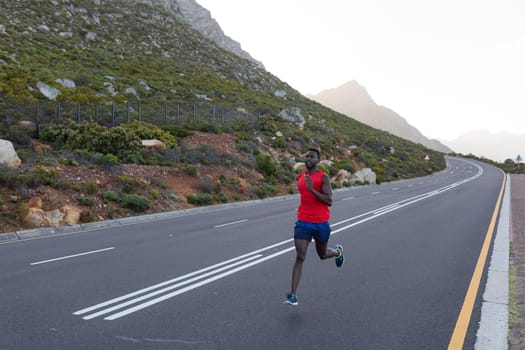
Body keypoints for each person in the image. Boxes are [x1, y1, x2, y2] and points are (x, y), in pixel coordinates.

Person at [284, 148, 344, 306]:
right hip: (303, 222)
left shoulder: (323, 177)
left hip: (321, 223)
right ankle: (292, 295)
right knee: (300, 256)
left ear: (318, 160)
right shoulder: (300, 177)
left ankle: (337, 252)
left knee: (323, 255)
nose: (308, 158)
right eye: (307, 156)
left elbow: (329, 201)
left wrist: (312, 189)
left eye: (312, 157)